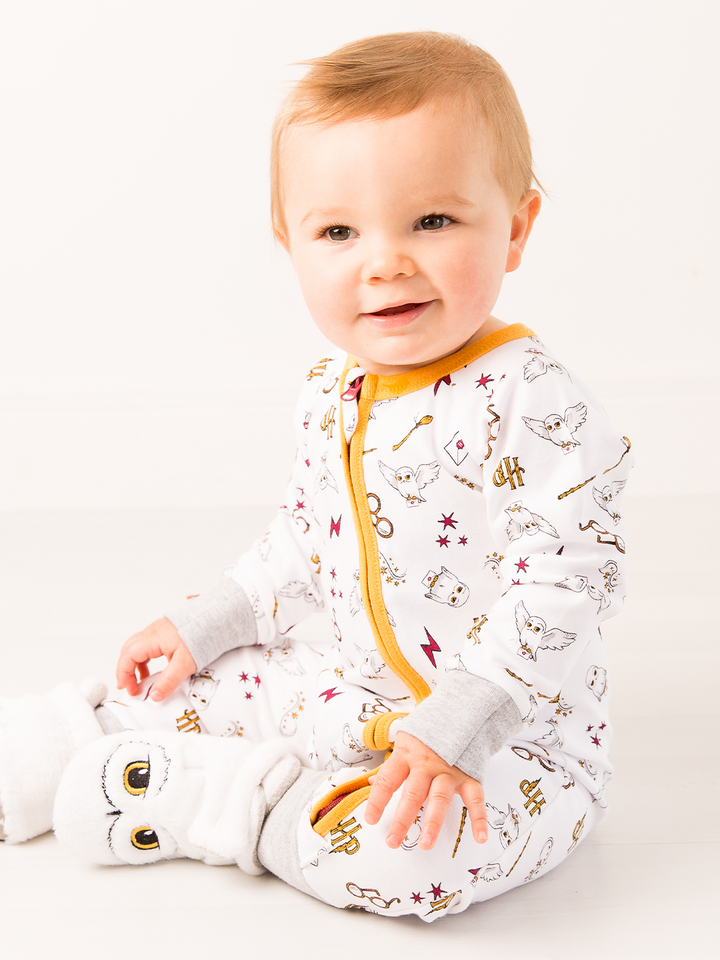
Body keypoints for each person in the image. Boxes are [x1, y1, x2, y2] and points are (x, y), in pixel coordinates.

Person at [0, 31, 631, 921]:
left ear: (516, 227)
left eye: (433, 221)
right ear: (289, 244)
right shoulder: (333, 387)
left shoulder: (533, 400)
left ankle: (233, 800)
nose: (385, 262)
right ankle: (68, 743)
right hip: (345, 690)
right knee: (197, 683)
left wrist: (459, 724)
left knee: (419, 854)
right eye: (338, 231)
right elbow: (305, 537)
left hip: (509, 739)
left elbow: (566, 582)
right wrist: (210, 621)